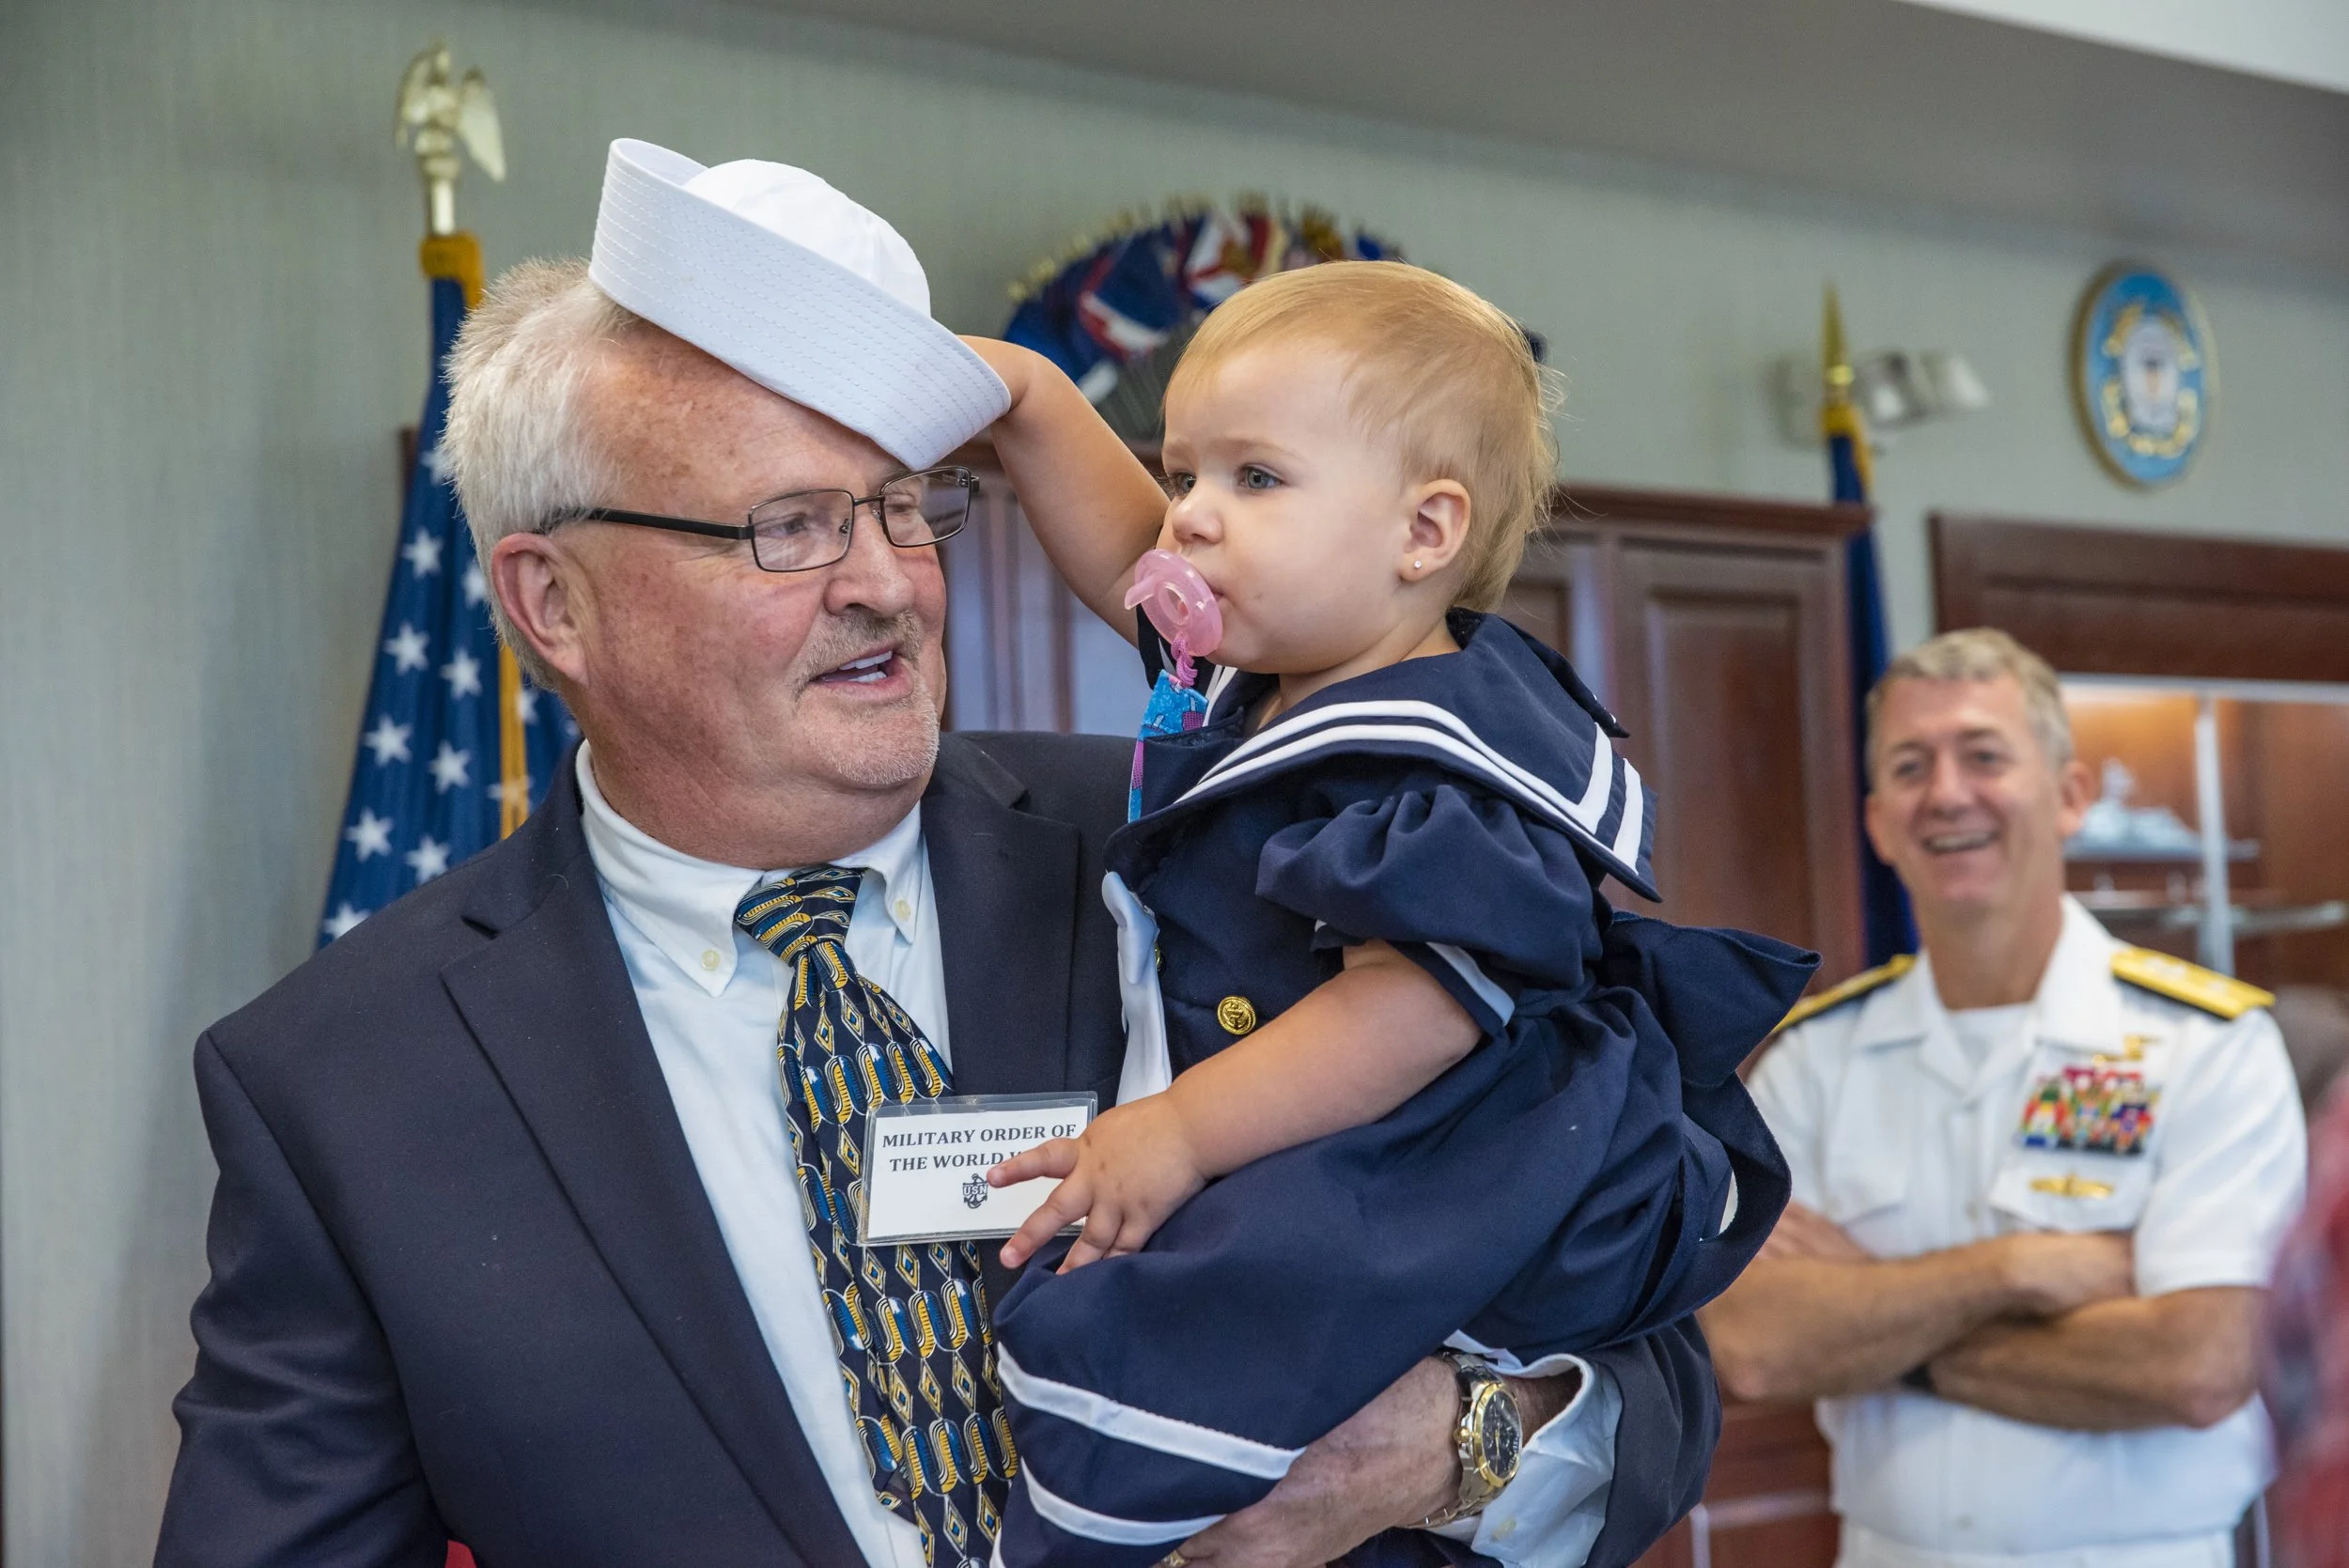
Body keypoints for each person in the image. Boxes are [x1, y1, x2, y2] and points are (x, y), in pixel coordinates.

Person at [153, 140, 1725, 1568]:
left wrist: (1457, 1444)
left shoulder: (1229, 842)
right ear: (552, 601)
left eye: (911, 508)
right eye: (791, 523)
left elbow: (1646, 1333)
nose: (889, 584)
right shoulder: (340, 1086)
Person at [955, 262, 1813, 1565]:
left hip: (1433, 1157)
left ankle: (1124, 1488)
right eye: (1185, 472)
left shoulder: (1426, 760)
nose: (1188, 518)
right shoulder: (1290, 674)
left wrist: (1182, 1129)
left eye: (1255, 479)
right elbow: (1132, 555)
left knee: (1187, 1346)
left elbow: (1411, 1013)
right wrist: (1025, 400)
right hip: (1328, 1134)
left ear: (1423, 533)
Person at [1699, 628, 2309, 1568]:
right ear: (1877, 822)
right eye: (1910, 765)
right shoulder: (1817, 1059)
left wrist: (1871, 1317)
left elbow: (2196, 1366)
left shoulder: (2207, 1048)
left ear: (2068, 796)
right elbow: (1751, 1346)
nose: (1946, 793)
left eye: (1983, 756)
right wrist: (2013, 1269)